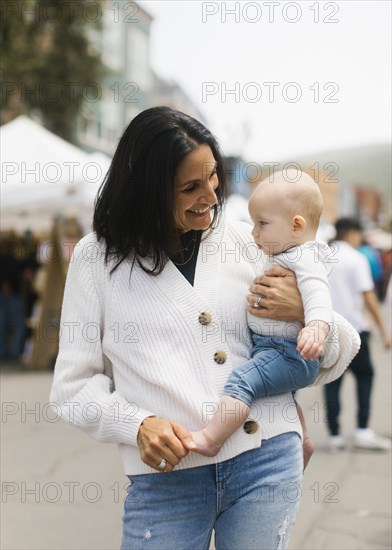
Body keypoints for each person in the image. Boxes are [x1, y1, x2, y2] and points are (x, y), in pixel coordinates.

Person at [50, 107, 360, 550]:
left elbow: (341, 347)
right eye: (190, 187)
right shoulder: (96, 258)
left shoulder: (251, 240)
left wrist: (301, 315)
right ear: (147, 190)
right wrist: (136, 424)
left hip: (267, 459)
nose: (211, 197)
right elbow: (71, 387)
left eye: (213, 177)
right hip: (166, 482)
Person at [188, 171, 336, 457]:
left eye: (262, 224)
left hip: (286, 352)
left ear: (296, 225)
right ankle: (302, 440)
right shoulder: (283, 252)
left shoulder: (304, 257)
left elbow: (318, 293)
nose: (254, 232)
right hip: (274, 348)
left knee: (242, 382)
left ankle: (211, 439)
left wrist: (316, 327)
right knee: (284, 397)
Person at [324, 218, 391, 451]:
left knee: (331, 381)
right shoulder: (357, 258)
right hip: (354, 329)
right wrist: (384, 331)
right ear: (352, 233)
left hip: (327, 331)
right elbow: (368, 297)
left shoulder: (322, 256)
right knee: (365, 376)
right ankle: (362, 430)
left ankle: (334, 435)